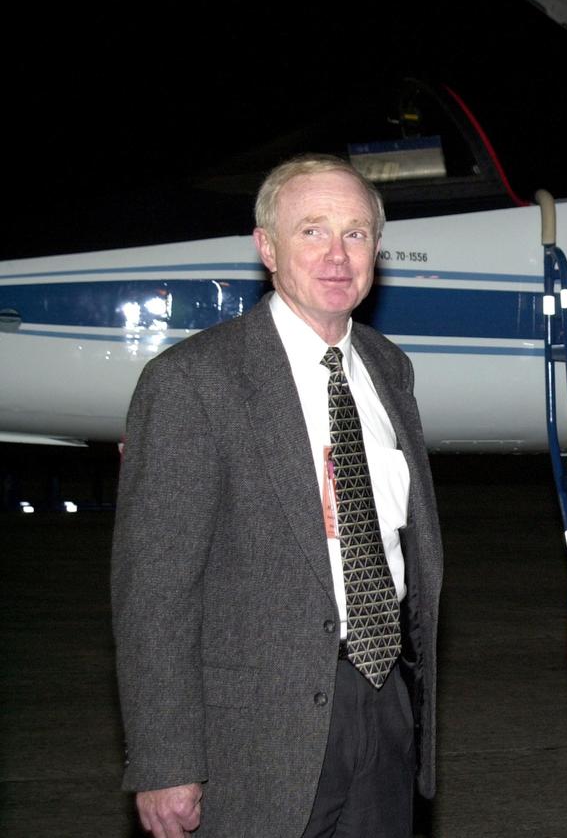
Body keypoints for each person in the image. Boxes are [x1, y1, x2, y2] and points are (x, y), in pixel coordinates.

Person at [111, 154, 443, 837]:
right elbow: (154, 592)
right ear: (266, 247)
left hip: (384, 702)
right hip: (255, 736)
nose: (337, 255)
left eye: (356, 234)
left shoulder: (388, 367)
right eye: (312, 231)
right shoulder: (194, 381)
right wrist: (166, 758)